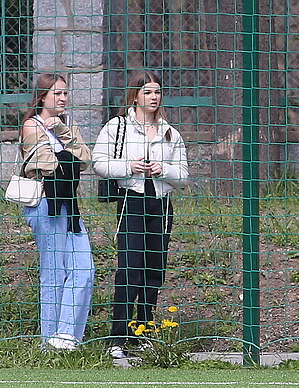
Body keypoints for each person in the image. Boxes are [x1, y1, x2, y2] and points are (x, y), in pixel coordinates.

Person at [92, 70, 189, 358]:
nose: (154, 97)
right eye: (147, 92)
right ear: (135, 96)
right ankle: (117, 337)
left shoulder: (170, 132)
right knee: (129, 269)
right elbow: (99, 163)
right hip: (131, 201)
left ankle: (143, 332)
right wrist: (129, 167)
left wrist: (163, 170)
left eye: (157, 92)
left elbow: (183, 176)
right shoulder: (117, 126)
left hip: (160, 204)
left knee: (154, 269)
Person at [21, 73, 95, 351]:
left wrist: (63, 134)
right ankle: (49, 344)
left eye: (65, 93)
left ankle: (66, 337)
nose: (63, 98)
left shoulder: (67, 124)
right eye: (57, 93)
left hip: (69, 205)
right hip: (45, 203)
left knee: (84, 269)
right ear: (43, 97)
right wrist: (69, 155)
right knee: (53, 272)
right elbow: (51, 166)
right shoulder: (31, 125)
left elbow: (85, 159)